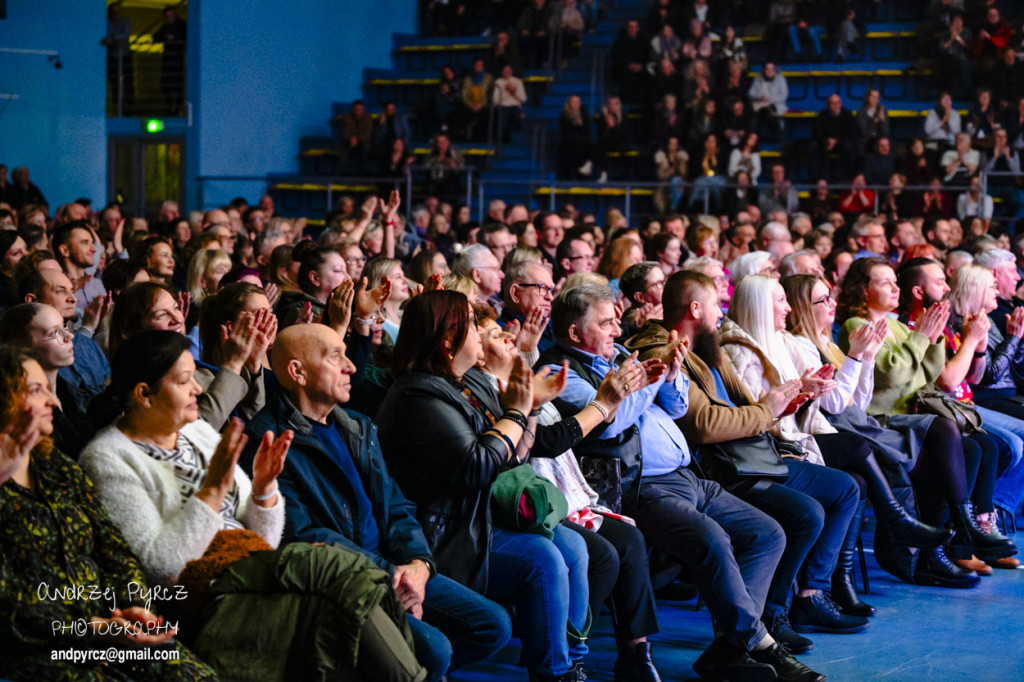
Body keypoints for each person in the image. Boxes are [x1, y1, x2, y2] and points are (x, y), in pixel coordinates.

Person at [545, 282, 823, 682]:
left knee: (768, 533)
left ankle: (730, 645)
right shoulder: (560, 371)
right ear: (574, 333)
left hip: (688, 476)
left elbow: (675, 408)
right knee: (712, 539)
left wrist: (672, 376)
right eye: (606, 323)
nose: (616, 331)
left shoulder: (621, 356)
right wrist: (648, 383)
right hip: (641, 488)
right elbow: (609, 424)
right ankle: (759, 643)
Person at [241, 322, 511, 682]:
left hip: (394, 568)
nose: (352, 366)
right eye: (336, 357)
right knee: (435, 649)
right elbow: (302, 536)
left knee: (493, 624)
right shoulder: (269, 438)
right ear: (297, 371)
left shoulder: (357, 425)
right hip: (339, 580)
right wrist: (390, 574)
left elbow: (396, 505)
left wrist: (419, 563)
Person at [628, 271, 865, 653]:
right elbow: (705, 424)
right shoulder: (664, 350)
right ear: (695, 308)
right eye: (715, 305)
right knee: (805, 515)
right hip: (720, 466)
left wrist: (783, 404)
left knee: (844, 488)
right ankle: (767, 619)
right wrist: (766, 412)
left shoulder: (706, 345)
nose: (721, 313)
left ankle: (809, 595)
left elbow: (747, 407)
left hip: (749, 452)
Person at [377, 291, 590, 682]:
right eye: (472, 325)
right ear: (446, 341)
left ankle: (569, 661)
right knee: (542, 560)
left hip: (474, 517)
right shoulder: (418, 393)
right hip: (442, 534)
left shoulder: (461, 382)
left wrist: (533, 407)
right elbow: (478, 466)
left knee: (572, 546)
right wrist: (515, 410)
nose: (479, 332)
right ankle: (554, 673)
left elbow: (514, 457)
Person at [723, 276, 953, 614]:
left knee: (859, 478)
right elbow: (759, 416)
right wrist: (816, 384)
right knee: (861, 451)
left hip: (799, 435)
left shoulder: (783, 341)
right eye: (780, 300)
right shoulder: (744, 351)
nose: (786, 306)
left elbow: (848, 403)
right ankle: (894, 526)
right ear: (760, 305)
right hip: (771, 448)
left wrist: (863, 358)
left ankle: (831, 586)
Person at [0, 346, 216, 681]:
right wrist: (92, 629)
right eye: (35, 390)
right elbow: (8, 608)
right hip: (41, 650)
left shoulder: (58, 467)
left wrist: (137, 608)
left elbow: (114, 549)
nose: (53, 401)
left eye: (48, 388)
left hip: (112, 631)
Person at [475, 306, 665, 680]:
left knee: (627, 542)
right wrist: (605, 402)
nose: (509, 337)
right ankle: (561, 656)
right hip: (519, 504)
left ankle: (633, 652)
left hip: (558, 491)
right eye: (497, 335)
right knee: (598, 555)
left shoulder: (519, 376)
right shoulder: (486, 390)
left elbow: (531, 441)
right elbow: (544, 443)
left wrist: (648, 383)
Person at [835, 258, 1015, 584]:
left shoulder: (901, 327)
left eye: (894, 281)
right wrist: (920, 341)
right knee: (947, 430)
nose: (894, 287)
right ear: (864, 290)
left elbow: (924, 377)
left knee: (973, 448)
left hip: (908, 419)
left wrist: (931, 339)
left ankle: (937, 550)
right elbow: (891, 375)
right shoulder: (854, 325)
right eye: (885, 282)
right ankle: (964, 527)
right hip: (880, 421)